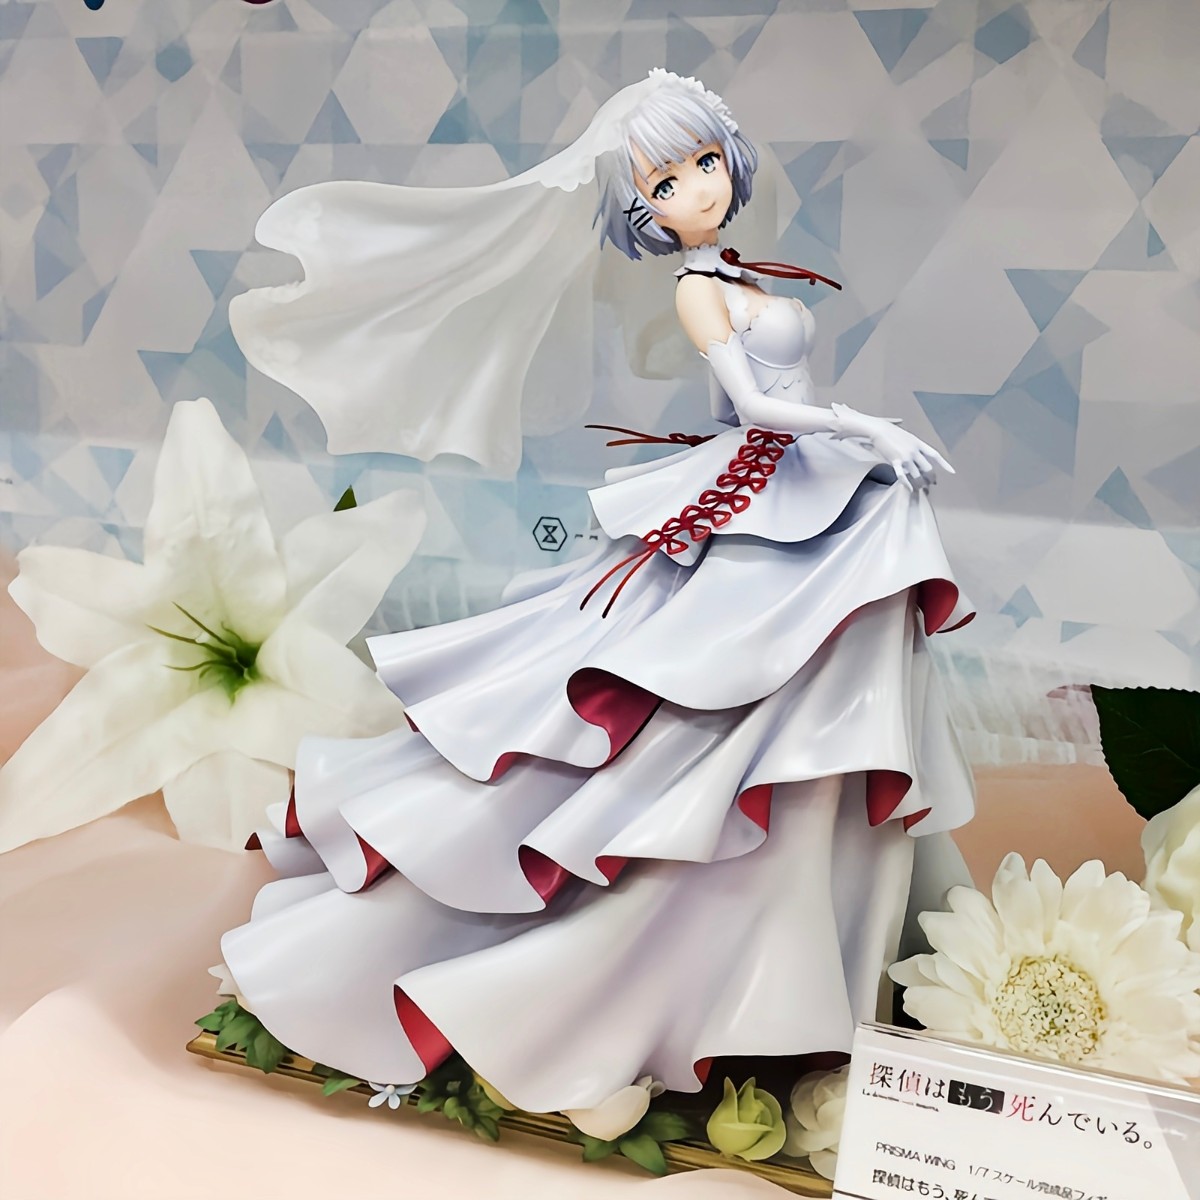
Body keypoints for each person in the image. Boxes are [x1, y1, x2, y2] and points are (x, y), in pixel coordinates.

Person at [220, 70, 976, 1117]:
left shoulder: (735, 269)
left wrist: (856, 444)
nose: (696, 189)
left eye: (704, 163)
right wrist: (867, 429)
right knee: (695, 693)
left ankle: (826, 927)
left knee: (818, 684)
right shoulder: (698, 288)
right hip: (762, 486)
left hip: (804, 488)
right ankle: (677, 936)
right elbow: (757, 407)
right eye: (666, 183)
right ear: (641, 209)